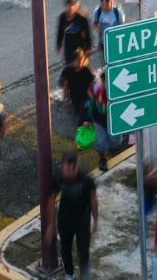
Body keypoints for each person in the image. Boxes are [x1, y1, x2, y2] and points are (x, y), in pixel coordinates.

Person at [49, 152, 98, 280]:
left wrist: (95, 221)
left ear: (76, 167)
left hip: (82, 219)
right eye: (64, 168)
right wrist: (51, 225)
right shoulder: (58, 179)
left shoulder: (86, 180)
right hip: (65, 220)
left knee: (83, 252)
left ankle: (84, 272)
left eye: (69, 169)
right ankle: (69, 273)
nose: (66, 172)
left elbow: (93, 200)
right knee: (65, 250)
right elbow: (51, 200)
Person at [85, 70, 122, 171]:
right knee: (101, 143)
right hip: (99, 121)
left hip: (114, 122)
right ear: (101, 80)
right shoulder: (94, 89)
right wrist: (88, 119)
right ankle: (102, 159)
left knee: (116, 142)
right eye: (106, 82)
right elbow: (90, 104)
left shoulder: (119, 88)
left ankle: (114, 143)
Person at [60, 48, 95, 119]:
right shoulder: (67, 71)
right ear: (73, 61)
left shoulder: (87, 71)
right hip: (74, 97)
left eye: (81, 60)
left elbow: (93, 84)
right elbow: (65, 86)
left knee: (82, 118)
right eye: (77, 60)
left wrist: (94, 99)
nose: (79, 62)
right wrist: (66, 99)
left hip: (85, 97)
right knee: (78, 112)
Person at [56, 0, 92, 65]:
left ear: (75, 7)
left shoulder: (81, 19)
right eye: (68, 7)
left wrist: (88, 47)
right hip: (68, 47)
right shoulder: (62, 18)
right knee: (70, 65)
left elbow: (87, 34)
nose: (69, 9)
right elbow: (60, 32)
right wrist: (59, 44)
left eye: (71, 7)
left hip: (80, 46)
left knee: (80, 65)